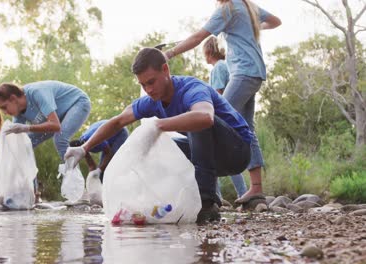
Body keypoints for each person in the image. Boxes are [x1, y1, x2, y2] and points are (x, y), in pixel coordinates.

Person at [65, 48, 253, 223]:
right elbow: (118, 121)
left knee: (194, 122)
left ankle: (206, 202)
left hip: (237, 152)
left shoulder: (191, 88)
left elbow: (205, 117)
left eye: (151, 81)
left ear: (165, 70)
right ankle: (162, 201)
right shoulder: (152, 101)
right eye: (143, 85)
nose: (148, 89)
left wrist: (158, 125)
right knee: (156, 146)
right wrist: (84, 148)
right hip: (212, 157)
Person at [164, 0, 281, 204]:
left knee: (212, 120)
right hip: (253, 72)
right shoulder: (247, 6)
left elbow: (199, 37)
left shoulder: (228, 9)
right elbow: (275, 22)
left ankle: (209, 190)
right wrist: (252, 30)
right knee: (246, 128)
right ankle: (255, 189)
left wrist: (168, 54)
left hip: (243, 73)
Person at [0, 80, 91, 201]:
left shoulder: (37, 93)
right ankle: (33, 193)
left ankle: (80, 192)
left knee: (60, 138)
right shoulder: (19, 113)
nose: (4, 112)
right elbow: (16, 145)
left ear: (13, 98)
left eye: (4, 107)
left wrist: (27, 127)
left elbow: (55, 126)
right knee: (23, 146)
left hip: (77, 103)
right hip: (56, 118)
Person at [203, 36, 247, 199]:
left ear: (208, 52)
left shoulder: (218, 68)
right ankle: (236, 194)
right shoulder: (226, 66)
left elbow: (218, 94)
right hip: (233, 118)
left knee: (214, 155)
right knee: (224, 157)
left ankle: (219, 196)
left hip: (222, 120)